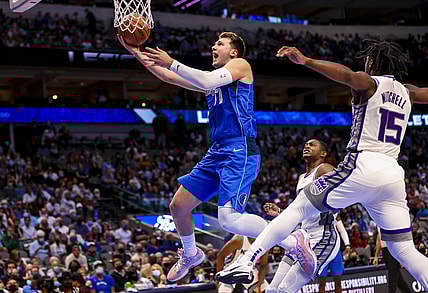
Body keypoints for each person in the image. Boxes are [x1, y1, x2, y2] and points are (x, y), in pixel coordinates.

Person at [216, 40, 428, 289]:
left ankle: (246, 262)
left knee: (298, 207)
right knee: (404, 248)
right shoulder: (408, 92)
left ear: (372, 63)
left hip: (364, 162)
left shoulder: (370, 83)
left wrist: (307, 61)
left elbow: (348, 75)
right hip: (393, 173)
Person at [118, 31, 269, 282]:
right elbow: (168, 76)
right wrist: (135, 51)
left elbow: (204, 79)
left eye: (219, 43)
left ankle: (288, 238)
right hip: (218, 149)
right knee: (179, 206)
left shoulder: (240, 65)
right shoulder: (212, 80)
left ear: (233, 51)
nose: (213, 46)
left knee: (229, 220)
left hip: (239, 148)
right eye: (214, 43)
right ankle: (191, 254)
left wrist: (172, 62)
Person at [263, 139, 350, 293]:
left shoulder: (324, 169)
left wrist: (335, 207)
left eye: (312, 145)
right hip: (303, 237)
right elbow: (302, 212)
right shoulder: (302, 177)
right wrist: (280, 213)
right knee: (272, 289)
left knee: (285, 289)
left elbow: (344, 190)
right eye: (305, 145)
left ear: (323, 153)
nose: (307, 146)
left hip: (323, 237)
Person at [374, 226, 412, 293]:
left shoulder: (390, 219)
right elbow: (379, 237)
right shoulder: (378, 221)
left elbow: (399, 236)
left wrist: (402, 257)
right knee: (398, 279)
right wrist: (376, 255)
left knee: (393, 277)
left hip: (393, 248)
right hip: (385, 251)